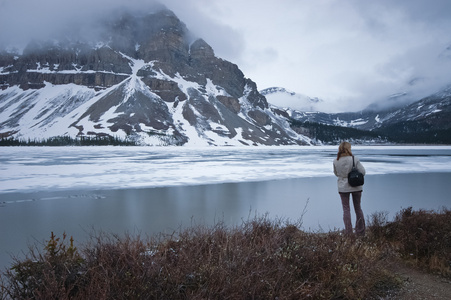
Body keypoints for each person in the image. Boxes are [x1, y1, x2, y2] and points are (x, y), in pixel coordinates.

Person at [333, 142, 366, 236]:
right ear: (349, 148)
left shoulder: (336, 160)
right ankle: (360, 232)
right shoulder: (354, 159)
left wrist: (344, 176)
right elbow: (363, 172)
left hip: (343, 187)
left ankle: (348, 233)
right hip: (356, 186)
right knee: (358, 208)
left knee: (346, 210)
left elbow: (336, 174)